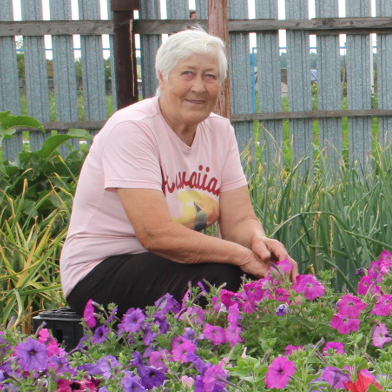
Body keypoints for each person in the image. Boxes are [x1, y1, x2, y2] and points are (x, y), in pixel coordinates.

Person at [60, 28, 291, 315]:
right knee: (223, 278)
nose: (199, 86)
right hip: (100, 272)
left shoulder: (219, 131)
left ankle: (248, 358)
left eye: (210, 76)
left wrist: (259, 244)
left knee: (264, 276)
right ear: (162, 77)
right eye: (187, 74)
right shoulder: (132, 129)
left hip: (170, 263)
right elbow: (154, 234)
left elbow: (240, 220)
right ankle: (208, 357)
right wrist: (241, 256)